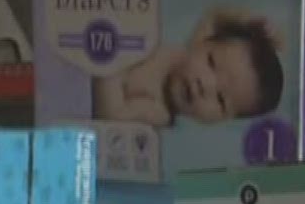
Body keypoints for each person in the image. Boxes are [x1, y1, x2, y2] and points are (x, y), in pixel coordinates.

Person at [94, 8, 284, 128]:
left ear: (220, 121)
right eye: (211, 62)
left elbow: (112, 115)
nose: (205, 86)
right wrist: (249, 20)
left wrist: (112, 60)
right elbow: (215, 15)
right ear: (202, 42)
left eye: (221, 99)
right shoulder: (185, 49)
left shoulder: (159, 110)